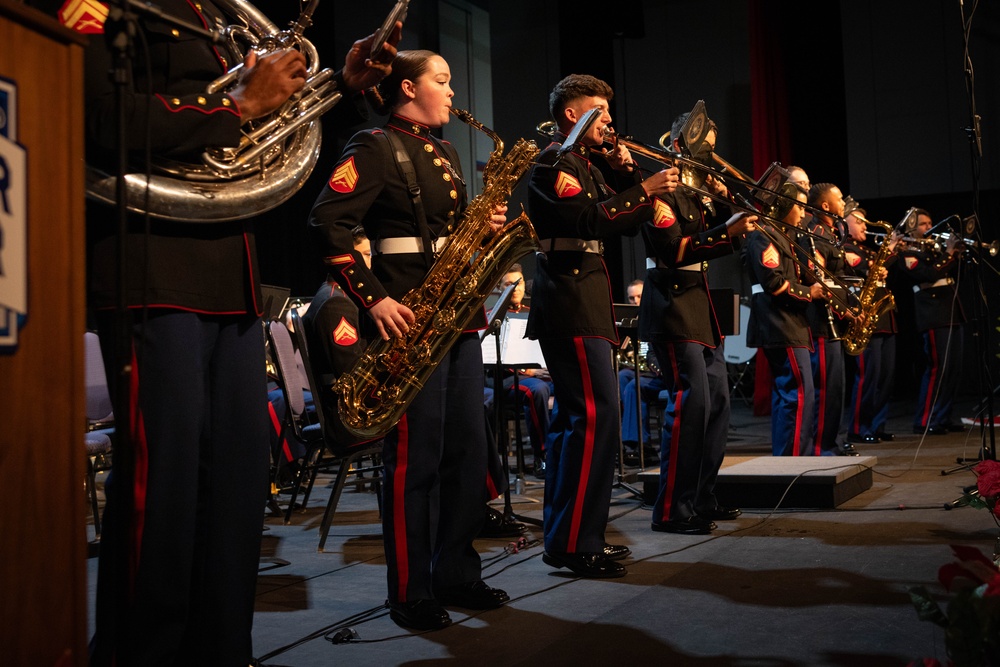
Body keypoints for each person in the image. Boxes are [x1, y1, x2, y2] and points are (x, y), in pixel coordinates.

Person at [54, 0, 403, 661]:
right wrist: (238, 106)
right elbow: (94, 115)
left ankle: (222, 647)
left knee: (238, 488)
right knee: (165, 487)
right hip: (151, 264)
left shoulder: (208, 14)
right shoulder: (109, 5)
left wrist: (339, 88)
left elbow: (267, 135)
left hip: (230, 275)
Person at [308, 49, 510, 632]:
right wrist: (374, 297)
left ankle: (457, 573)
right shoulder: (373, 144)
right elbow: (328, 221)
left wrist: (485, 228)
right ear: (405, 86)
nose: (452, 92)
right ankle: (410, 590)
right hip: (410, 324)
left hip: (458, 320)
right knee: (413, 464)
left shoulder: (444, 150)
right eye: (441, 81)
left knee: (467, 457)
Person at [526, 73, 680, 578]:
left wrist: (625, 173)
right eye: (600, 110)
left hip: (584, 297)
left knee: (580, 421)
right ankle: (575, 542)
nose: (610, 120)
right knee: (594, 417)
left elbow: (625, 218)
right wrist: (644, 188)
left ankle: (572, 536)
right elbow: (586, 222)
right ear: (572, 114)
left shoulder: (585, 165)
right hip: (569, 298)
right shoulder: (554, 161)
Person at [639, 111, 756, 535]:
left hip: (702, 307)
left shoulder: (698, 195)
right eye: (704, 148)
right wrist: (725, 228)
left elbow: (724, 234)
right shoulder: (662, 194)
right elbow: (674, 250)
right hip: (672, 304)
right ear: (681, 149)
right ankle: (671, 509)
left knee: (718, 405)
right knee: (691, 406)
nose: (711, 157)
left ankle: (702, 496)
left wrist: (724, 200)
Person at [744, 183, 827, 456]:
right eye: (800, 207)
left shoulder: (786, 237)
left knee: (795, 393)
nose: (804, 214)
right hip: (779, 322)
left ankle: (791, 458)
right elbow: (774, 283)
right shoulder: (764, 235)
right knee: (798, 393)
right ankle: (793, 462)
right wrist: (810, 292)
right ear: (783, 206)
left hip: (790, 322)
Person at [890, 209, 966, 435]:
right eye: (924, 224)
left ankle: (944, 416)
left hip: (950, 310)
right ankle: (925, 420)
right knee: (937, 369)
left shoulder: (933, 248)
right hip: (932, 314)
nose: (929, 227)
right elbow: (929, 275)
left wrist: (955, 255)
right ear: (912, 228)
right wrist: (950, 254)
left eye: (931, 222)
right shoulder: (908, 253)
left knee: (953, 369)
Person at [804, 183, 856, 456]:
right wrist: (842, 310)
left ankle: (835, 441)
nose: (842, 202)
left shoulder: (833, 234)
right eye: (838, 198)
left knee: (838, 388)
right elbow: (819, 279)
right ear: (825, 206)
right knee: (827, 390)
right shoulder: (814, 234)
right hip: (823, 320)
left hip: (836, 320)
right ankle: (823, 447)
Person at [489, 263, 555, 478]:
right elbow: (492, 355)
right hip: (507, 378)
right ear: (500, 288)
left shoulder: (533, 313)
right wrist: (531, 372)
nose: (515, 288)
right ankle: (542, 456)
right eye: (510, 284)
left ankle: (566, 451)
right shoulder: (491, 316)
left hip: (540, 375)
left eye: (518, 283)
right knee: (536, 391)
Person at [841, 206, 899, 445]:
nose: (865, 226)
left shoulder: (865, 249)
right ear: (845, 224)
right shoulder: (845, 248)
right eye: (860, 222)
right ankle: (858, 427)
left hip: (883, 318)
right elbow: (863, 266)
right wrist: (888, 254)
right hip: (865, 317)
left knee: (885, 377)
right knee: (868, 377)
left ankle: (877, 424)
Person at [618, 278, 663, 466]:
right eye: (631, 298)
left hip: (662, 373)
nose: (635, 302)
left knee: (634, 385)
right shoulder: (631, 321)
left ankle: (638, 443)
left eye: (639, 296)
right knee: (621, 377)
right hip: (644, 370)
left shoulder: (658, 316)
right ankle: (622, 438)